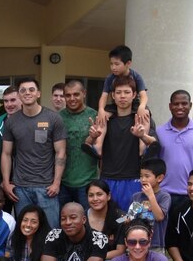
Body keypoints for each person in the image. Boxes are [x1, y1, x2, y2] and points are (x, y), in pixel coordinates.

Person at [1, 78, 67, 227]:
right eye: (23, 90)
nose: (27, 93)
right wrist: (6, 183)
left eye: (31, 90)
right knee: (26, 231)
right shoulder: (11, 121)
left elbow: (61, 152)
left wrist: (56, 182)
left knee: (51, 230)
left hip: (47, 187)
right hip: (21, 187)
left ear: (38, 93)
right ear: (19, 95)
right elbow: (6, 153)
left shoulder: (53, 118)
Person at [88, 75, 157, 211]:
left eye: (127, 92)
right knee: (109, 221)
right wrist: (93, 137)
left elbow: (146, 149)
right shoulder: (105, 118)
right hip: (108, 178)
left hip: (133, 179)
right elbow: (97, 150)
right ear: (113, 95)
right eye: (118, 93)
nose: (122, 96)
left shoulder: (141, 118)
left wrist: (142, 135)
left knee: (130, 220)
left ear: (134, 95)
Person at [155, 90, 193, 208]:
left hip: (190, 193)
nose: (180, 107)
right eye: (176, 104)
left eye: (184, 103)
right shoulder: (158, 132)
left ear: (190, 105)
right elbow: (154, 165)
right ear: (170, 106)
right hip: (163, 194)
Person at [58, 80, 99, 211]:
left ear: (84, 94)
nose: (72, 99)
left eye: (76, 94)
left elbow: (101, 149)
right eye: (68, 95)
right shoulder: (58, 118)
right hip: (63, 182)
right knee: (64, 221)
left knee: (87, 221)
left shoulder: (95, 116)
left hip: (87, 181)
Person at [122, 157, 170, 255]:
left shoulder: (164, 196)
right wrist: (124, 220)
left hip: (155, 245)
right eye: (141, 176)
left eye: (147, 176)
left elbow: (159, 217)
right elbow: (130, 216)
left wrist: (151, 196)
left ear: (159, 178)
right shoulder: (136, 196)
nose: (143, 179)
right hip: (136, 243)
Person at [96, 44, 148, 122]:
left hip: (134, 104)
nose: (113, 67)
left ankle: (143, 133)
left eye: (117, 64)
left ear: (128, 63)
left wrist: (142, 106)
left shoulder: (136, 76)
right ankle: (102, 134)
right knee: (103, 115)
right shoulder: (110, 78)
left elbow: (143, 95)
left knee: (145, 112)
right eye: (111, 64)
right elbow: (104, 96)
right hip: (115, 105)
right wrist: (100, 109)